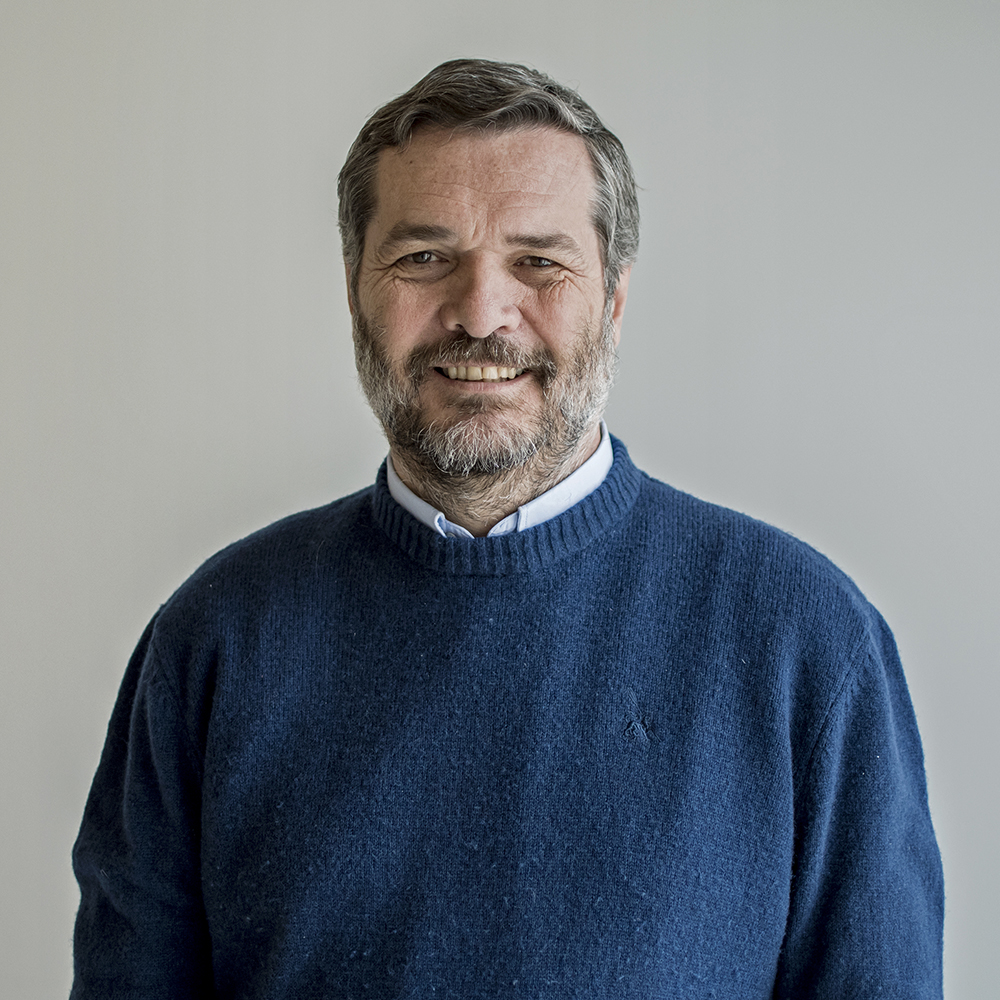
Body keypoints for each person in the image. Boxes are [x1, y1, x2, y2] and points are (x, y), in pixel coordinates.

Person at [71, 59, 944, 998]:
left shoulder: (804, 636)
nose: (481, 314)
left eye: (539, 262)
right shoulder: (216, 638)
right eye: (424, 258)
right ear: (356, 292)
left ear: (613, 300)